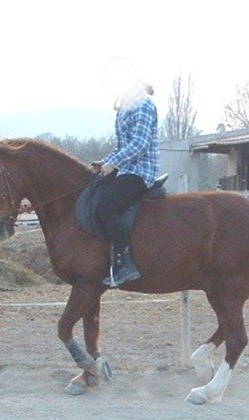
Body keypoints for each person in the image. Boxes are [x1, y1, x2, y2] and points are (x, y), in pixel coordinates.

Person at [92, 57, 160, 287]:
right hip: (127, 168)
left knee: (105, 208)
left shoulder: (142, 105)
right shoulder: (125, 107)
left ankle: (126, 263)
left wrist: (114, 163)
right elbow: (122, 147)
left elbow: (140, 144)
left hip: (141, 171)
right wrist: (104, 162)